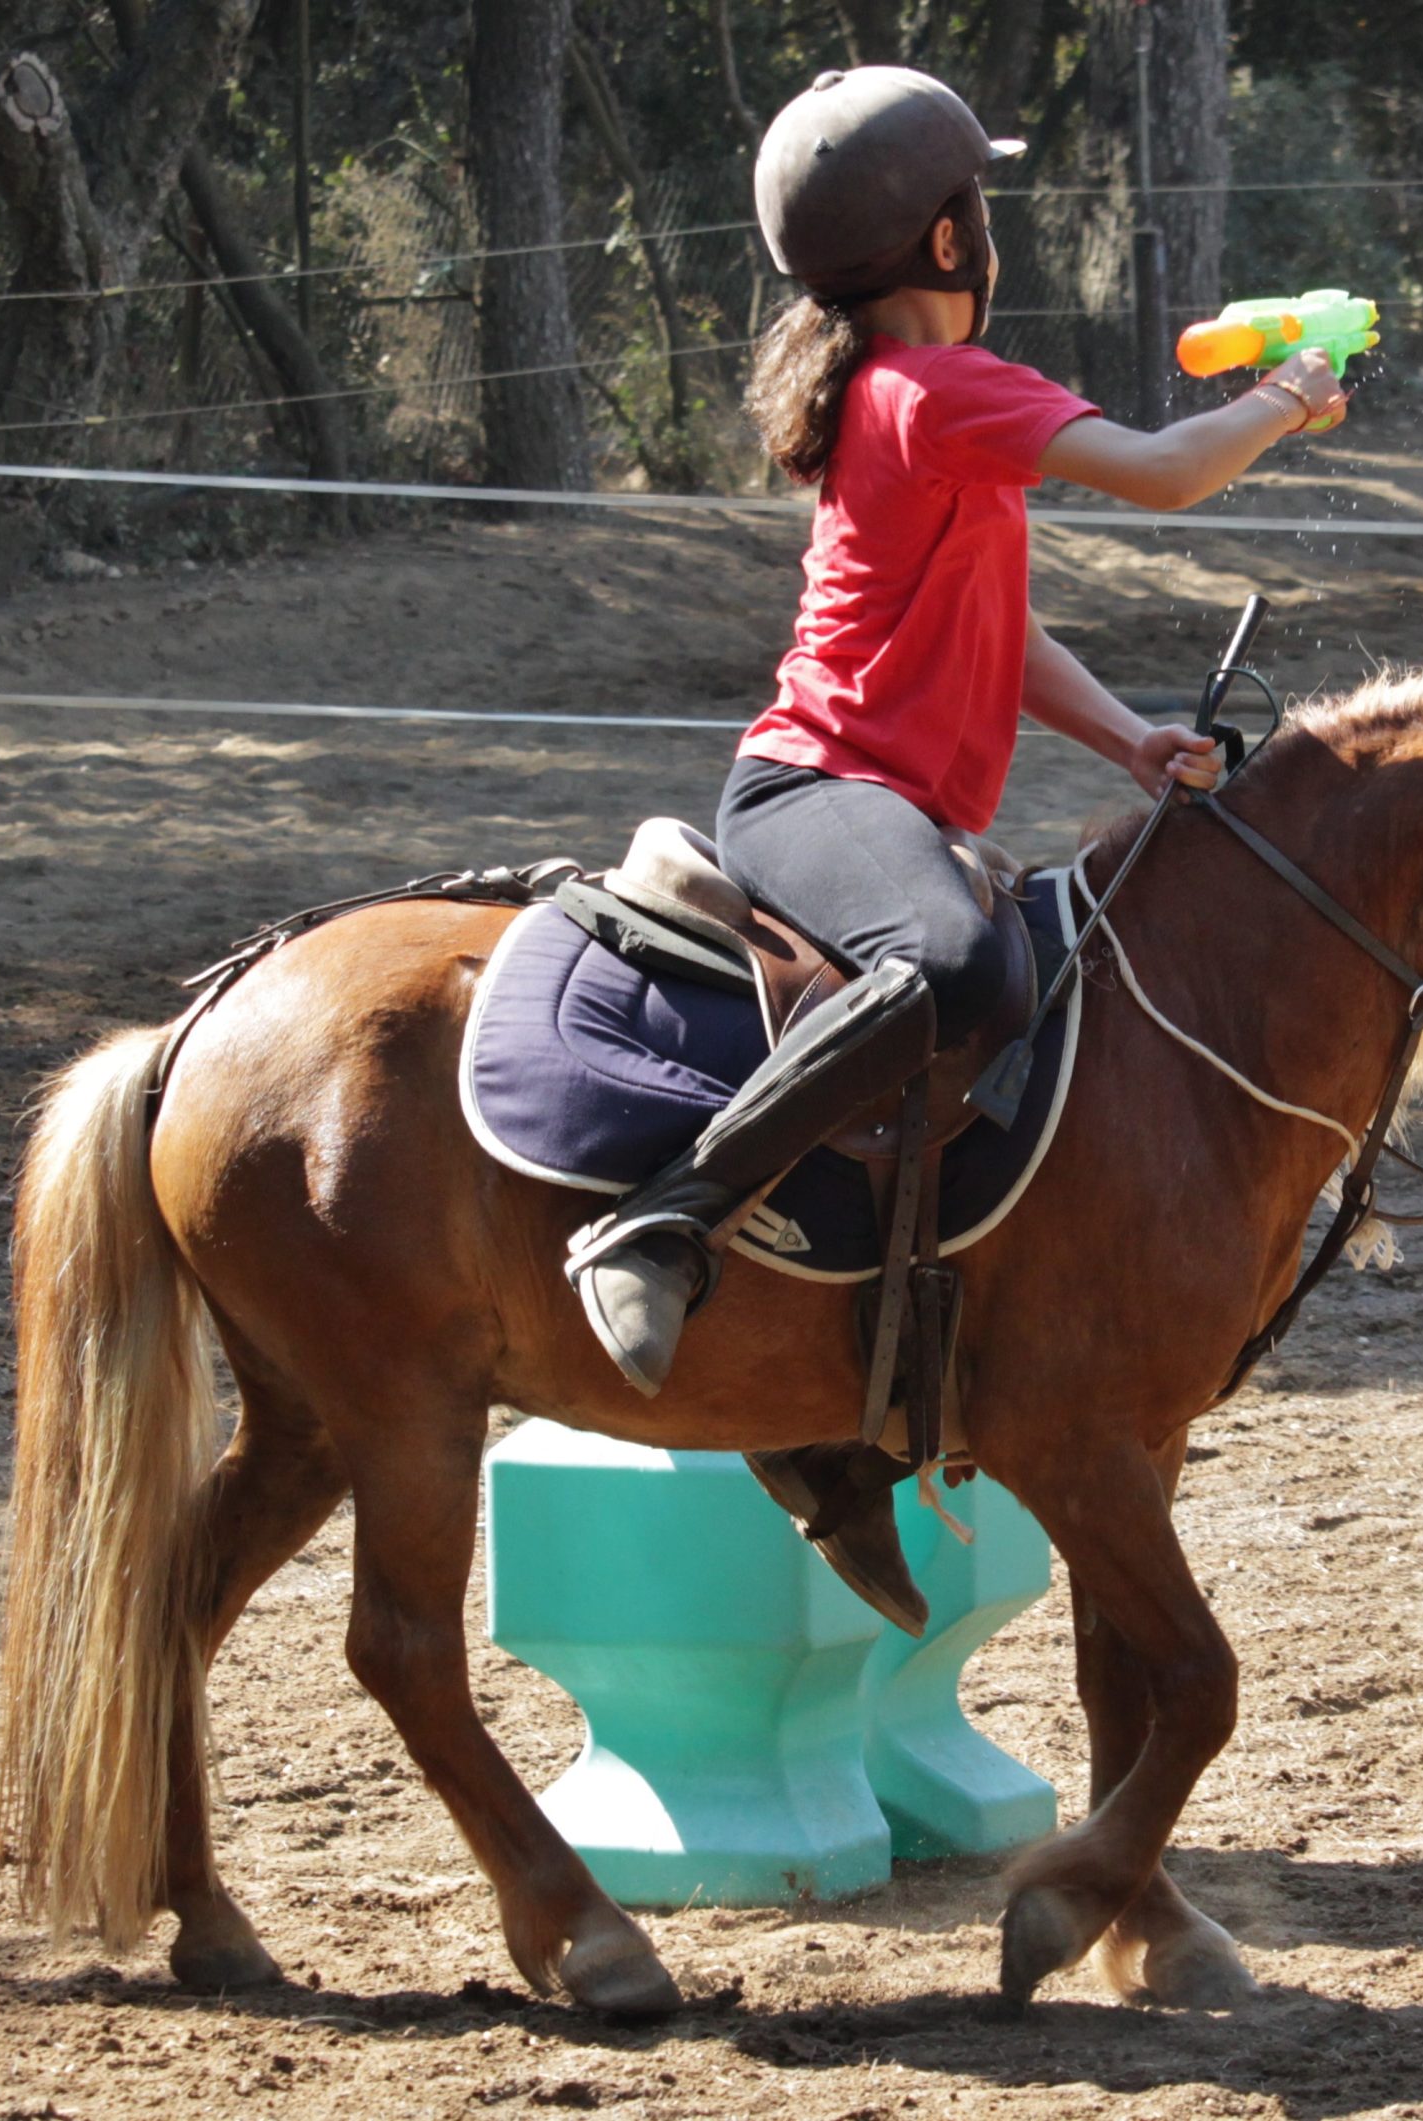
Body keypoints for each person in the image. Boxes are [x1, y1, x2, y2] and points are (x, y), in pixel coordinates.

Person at [564, 65, 1352, 1631]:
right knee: (947, 964)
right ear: (945, 237)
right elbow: (1167, 473)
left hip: (877, 797)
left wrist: (1128, 737)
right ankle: (667, 1216)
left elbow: (991, 618)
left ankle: (829, 1440)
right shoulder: (944, 389)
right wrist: (1291, 397)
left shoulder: (909, 394)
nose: (992, 234)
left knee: (996, 1006)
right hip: (816, 791)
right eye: (979, 209)